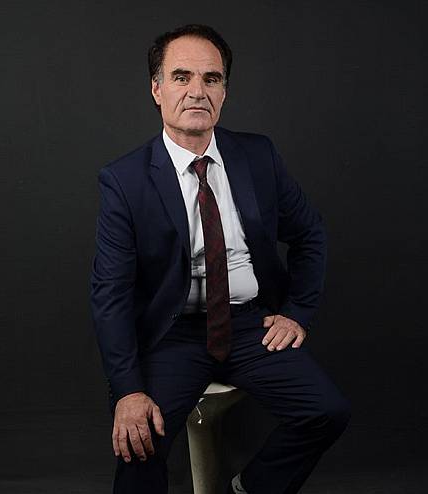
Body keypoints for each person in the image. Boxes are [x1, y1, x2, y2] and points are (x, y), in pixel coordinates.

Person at [90, 23, 351, 494]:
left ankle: (250, 487)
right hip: (174, 334)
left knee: (327, 411)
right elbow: (110, 294)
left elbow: (309, 233)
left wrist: (296, 312)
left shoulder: (257, 155)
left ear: (224, 92)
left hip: (250, 326)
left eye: (211, 79)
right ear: (157, 89)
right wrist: (128, 390)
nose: (197, 91)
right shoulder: (124, 180)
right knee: (141, 442)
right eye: (182, 77)